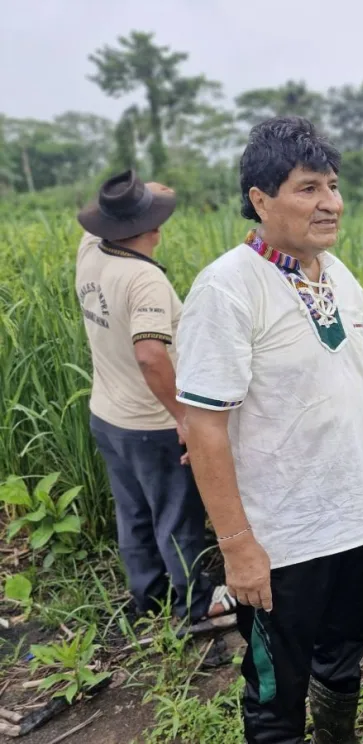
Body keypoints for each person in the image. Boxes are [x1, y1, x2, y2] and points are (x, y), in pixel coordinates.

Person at [175, 116, 363, 744]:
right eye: (307, 188)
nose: (330, 203)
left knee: (345, 650)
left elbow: (352, 380)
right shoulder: (228, 288)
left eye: (332, 185)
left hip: (349, 518)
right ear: (261, 200)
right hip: (282, 538)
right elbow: (205, 427)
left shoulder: (340, 277)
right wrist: (239, 546)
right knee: (277, 685)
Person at [74, 170, 235, 624]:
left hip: (107, 414)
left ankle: (148, 595)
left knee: (134, 513)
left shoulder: (90, 251)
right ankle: (197, 605)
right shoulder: (143, 279)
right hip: (152, 424)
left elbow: (125, 209)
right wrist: (183, 417)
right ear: (153, 229)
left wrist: (130, 201)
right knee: (177, 518)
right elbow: (150, 355)